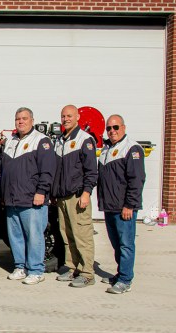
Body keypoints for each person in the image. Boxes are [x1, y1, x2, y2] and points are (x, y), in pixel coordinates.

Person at [1, 107, 56, 285]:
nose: (21, 121)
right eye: (18, 119)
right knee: (15, 236)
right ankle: (20, 267)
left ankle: (36, 270)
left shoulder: (41, 141)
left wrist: (41, 192)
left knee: (34, 236)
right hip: (12, 199)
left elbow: (47, 171)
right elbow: (3, 170)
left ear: (32, 120)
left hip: (32, 200)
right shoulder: (11, 141)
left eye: (24, 118)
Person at [98, 114, 145, 294]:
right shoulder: (107, 149)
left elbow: (137, 179)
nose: (112, 131)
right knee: (117, 244)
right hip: (110, 206)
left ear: (123, 128)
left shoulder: (132, 148)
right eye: (109, 128)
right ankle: (120, 274)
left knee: (126, 244)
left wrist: (129, 205)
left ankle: (125, 279)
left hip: (124, 207)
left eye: (115, 127)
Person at [52, 105, 98, 288]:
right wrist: (54, 194)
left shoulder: (84, 140)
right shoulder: (60, 141)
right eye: (63, 116)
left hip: (77, 196)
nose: (65, 119)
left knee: (82, 234)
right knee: (67, 235)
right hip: (62, 197)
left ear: (78, 117)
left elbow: (91, 171)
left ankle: (87, 273)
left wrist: (86, 193)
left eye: (69, 116)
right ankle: (73, 268)